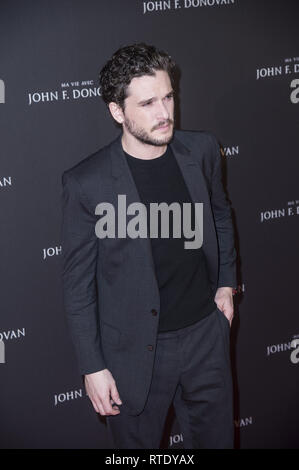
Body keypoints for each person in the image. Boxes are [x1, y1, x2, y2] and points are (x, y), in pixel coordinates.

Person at [61, 43, 237, 449]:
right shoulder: (87, 183)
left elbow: (221, 215)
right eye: (148, 103)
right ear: (117, 112)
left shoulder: (202, 150)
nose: (165, 114)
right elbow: (77, 285)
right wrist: (93, 366)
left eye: (168, 97)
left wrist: (226, 283)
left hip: (205, 339)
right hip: (135, 355)